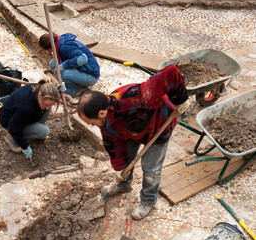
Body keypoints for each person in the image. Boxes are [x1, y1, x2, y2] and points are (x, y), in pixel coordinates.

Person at [77, 65, 188, 220]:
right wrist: (120, 169)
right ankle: (124, 184)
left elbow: (172, 72)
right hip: (132, 130)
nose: (92, 126)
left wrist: (180, 100)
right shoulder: (107, 124)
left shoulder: (134, 98)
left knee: (151, 169)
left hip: (159, 125)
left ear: (101, 113)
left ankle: (148, 201)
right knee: (126, 161)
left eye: (91, 122)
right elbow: (113, 147)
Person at [0, 80, 61, 158]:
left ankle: (36, 130)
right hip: (9, 121)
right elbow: (13, 128)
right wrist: (24, 146)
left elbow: (51, 97)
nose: (47, 108)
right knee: (44, 131)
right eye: (45, 104)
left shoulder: (42, 88)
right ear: (39, 95)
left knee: (47, 107)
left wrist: (59, 91)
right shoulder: (25, 108)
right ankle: (11, 139)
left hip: (20, 116)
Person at [39, 33, 100, 97]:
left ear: (50, 48)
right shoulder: (60, 41)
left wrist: (64, 65)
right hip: (83, 68)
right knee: (53, 63)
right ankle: (70, 81)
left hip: (91, 75)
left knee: (63, 74)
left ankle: (73, 90)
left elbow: (83, 58)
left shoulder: (64, 47)